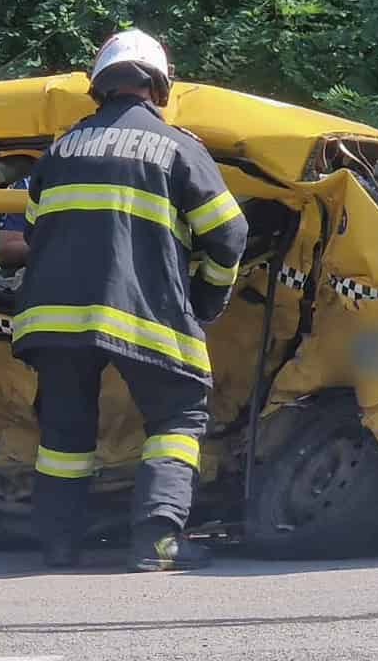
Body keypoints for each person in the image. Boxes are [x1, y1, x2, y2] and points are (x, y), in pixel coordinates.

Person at [12, 28, 248, 571]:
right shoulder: (179, 148)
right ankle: (158, 542)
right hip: (144, 314)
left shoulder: (58, 151)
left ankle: (58, 544)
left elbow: (29, 236)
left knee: (65, 433)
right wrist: (205, 299)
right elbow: (230, 235)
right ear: (159, 86)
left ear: (99, 86)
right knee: (178, 416)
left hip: (53, 320)